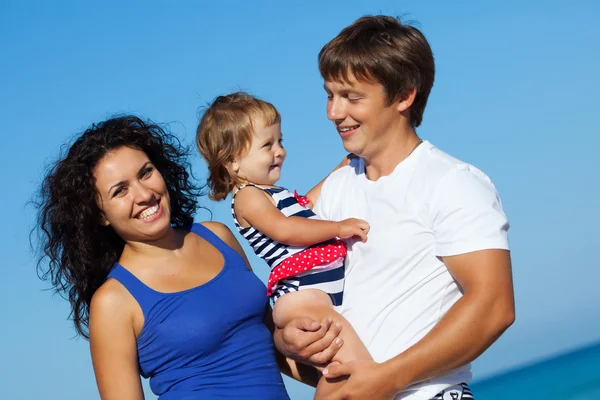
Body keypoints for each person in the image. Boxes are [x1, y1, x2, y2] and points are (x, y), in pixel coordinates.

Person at [274, 15, 516, 400]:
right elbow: (297, 289)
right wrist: (286, 341)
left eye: (352, 97)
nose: (333, 113)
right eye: (330, 94)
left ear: (404, 96)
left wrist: (388, 379)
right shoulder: (334, 191)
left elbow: (494, 306)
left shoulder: (452, 182)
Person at [34, 115, 329, 399]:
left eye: (145, 172)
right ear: (100, 216)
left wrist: (345, 383)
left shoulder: (219, 237)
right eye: (120, 191)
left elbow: (270, 348)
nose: (143, 194)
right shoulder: (113, 301)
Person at [196, 92, 373, 398]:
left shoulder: (275, 195)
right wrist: (339, 227)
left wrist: (342, 168)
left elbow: (309, 203)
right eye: (268, 145)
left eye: (280, 141)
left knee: (341, 376)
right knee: (358, 369)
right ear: (233, 160)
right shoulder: (249, 197)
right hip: (302, 297)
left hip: (317, 294)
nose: (280, 151)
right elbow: (286, 229)